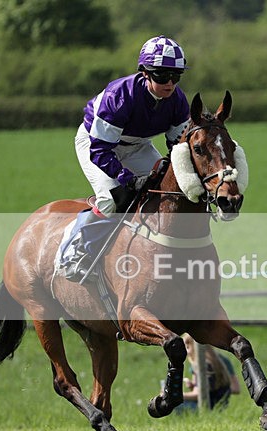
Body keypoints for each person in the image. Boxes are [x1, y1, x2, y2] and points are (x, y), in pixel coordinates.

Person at [64, 35, 192, 281]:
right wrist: (128, 179)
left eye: (175, 77)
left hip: (138, 146)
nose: (170, 84)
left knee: (165, 190)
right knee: (113, 199)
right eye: (162, 76)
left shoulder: (177, 101)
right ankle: (77, 250)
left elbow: (178, 147)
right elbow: (100, 151)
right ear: (144, 73)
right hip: (97, 145)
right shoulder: (119, 96)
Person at [174, 334, 241, 411]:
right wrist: (195, 386)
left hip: (207, 407)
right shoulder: (217, 362)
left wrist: (175, 396)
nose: (186, 351)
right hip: (220, 406)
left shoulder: (203, 365)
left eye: (188, 347)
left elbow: (198, 394)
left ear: (195, 348)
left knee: (171, 406)